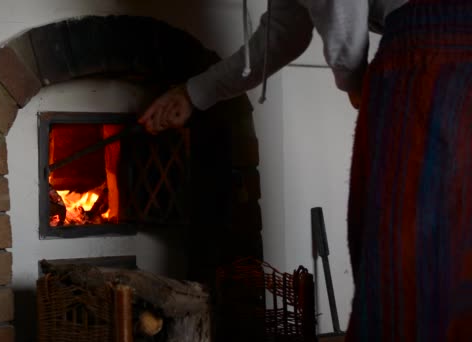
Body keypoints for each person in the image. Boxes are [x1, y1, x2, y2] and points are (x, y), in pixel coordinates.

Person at [140, 0, 472, 340]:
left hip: (434, 49)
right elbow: (286, 30)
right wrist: (194, 93)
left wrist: (352, 76)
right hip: (435, 44)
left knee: (405, 275)